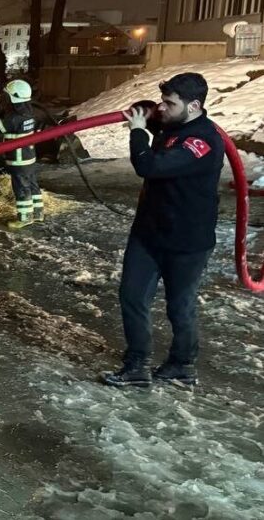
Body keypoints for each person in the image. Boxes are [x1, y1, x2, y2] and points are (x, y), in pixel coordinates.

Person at [101, 72, 223, 388]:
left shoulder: (203, 141)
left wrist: (138, 132)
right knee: (132, 296)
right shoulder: (174, 126)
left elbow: (150, 166)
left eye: (169, 103)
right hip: (149, 233)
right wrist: (144, 112)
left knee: (179, 306)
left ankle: (181, 365)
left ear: (194, 105)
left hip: (186, 241)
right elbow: (160, 124)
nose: (162, 108)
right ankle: (136, 365)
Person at [0, 79, 43, 229]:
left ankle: (25, 217)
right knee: (33, 184)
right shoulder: (30, 114)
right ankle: (38, 213)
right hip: (30, 159)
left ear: (13, 98)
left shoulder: (13, 118)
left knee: (21, 188)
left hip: (18, 160)